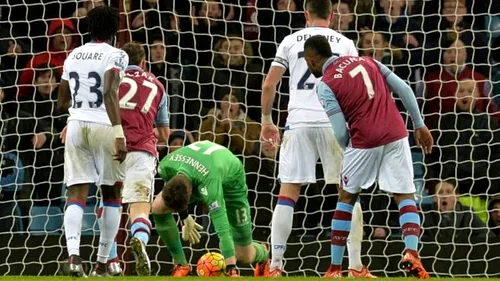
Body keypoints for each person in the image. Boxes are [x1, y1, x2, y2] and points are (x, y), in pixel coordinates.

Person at [303, 35, 433, 279]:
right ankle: (412, 253)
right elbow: (404, 88)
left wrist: (348, 148)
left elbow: (341, 131)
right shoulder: (369, 61)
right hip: (396, 133)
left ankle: (334, 269)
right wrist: (419, 123)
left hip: (364, 141)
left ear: (311, 60)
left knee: (346, 198)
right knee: (405, 195)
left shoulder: (326, 84)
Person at [260, 0, 371, 278]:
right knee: (348, 194)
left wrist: (267, 122)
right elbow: (356, 86)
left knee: (287, 194)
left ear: (306, 13)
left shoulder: (289, 40)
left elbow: (269, 84)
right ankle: (355, 267)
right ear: (332, 15)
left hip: (298, 123)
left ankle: (275, 266)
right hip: (333, 122)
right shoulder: (345, 43)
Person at [56, 6, 129, 277]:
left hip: (76, 126)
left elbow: (62, 100)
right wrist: (119, 132)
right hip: (104, 125)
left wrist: (77, 116)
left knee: (76, 193)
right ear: (114, 29)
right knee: (111, 194)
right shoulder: (116, 54)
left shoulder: (73, 54)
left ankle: (74, 257)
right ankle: (103, 263)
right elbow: (110, 91)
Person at [151, 140, 269, 277]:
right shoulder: (165, 166)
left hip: (232, 183)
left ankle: (264, 253)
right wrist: (184, 216)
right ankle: (181, 265)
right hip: (203, 168)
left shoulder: (209, 185)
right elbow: (174, 190)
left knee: (243, 255)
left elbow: (222, 225)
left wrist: (231, 267)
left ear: (192, 196)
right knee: (158, 207)